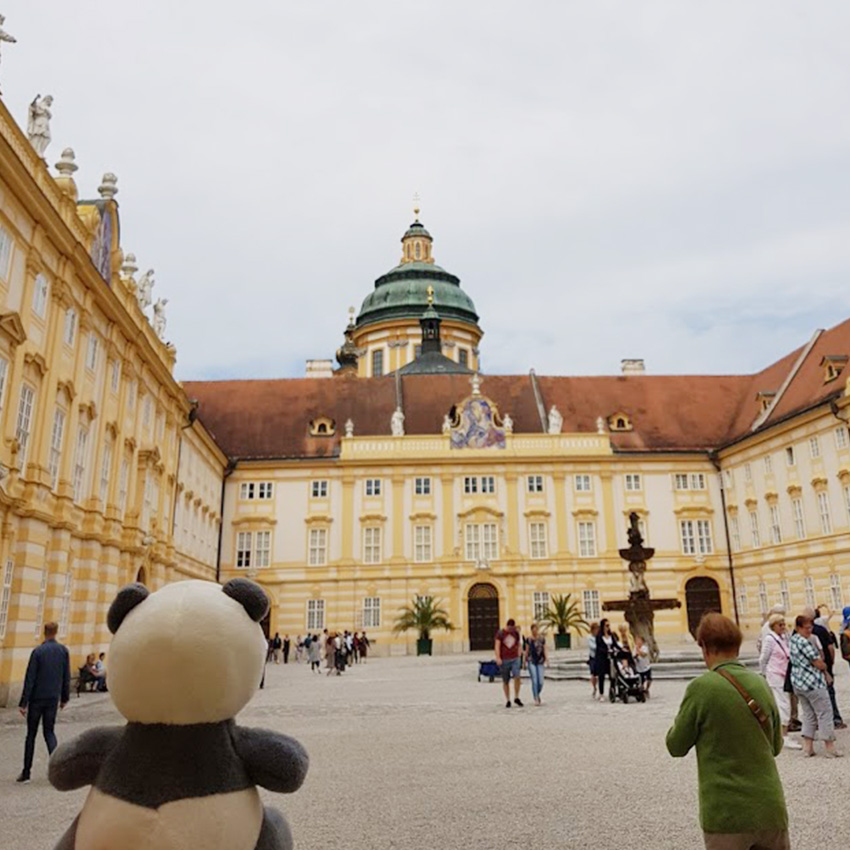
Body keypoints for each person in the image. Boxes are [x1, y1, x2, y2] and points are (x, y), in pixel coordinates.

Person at [666, 613, 789, 849]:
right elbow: (775, 747)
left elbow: (676, 746)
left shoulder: (701, 688)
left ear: (705, 647)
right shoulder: (760, 683)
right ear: (737, 645)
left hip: (726, 813)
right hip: (770, 808)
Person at [17, 622, 71, 783]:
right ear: (56, 632)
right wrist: (64, 698)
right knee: (49, 732)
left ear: (44, 632)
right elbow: (66, 677)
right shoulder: (63, 651)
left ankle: (26, 772)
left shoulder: (38, 652)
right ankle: (58, 771)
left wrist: (23, 702)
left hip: (37, 699)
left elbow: (30, 678)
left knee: (31, 735)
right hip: (53, 698)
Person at [789, 614, 841, 757]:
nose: (810, 630)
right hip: (813, 683)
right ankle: (829, 747)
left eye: (811, 627)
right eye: (807, 628)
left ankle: (808, 747)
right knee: (825, 713)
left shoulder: (792, 640)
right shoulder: (804, 642)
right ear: (799, 627)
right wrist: (824, 666)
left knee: (808, 714)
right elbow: (817, 662)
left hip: (799, 682)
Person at [758, 614, 801, 750]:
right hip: (775, 675)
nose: (783, 627)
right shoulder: (770, 640)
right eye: (780, 625)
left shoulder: (782, 638)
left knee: (783, 704)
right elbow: (763, 658)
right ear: (773, 626)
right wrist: (764, 674)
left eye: (784, 624)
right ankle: (784, 735)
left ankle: (782, 733)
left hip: (783, 674)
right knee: (784, 705)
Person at [813, 609, 845, 729]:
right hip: (824, 666)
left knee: (815, 696)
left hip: (813, 670)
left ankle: (818, 722)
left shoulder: (800, 633)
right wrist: (831, 663)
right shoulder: (822, 629)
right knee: (829, 693)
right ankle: (835, 719)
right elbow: (830, 648)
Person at [495, 618, 523, 708]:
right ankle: (508, 699)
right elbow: (497, 646)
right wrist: (498, 657)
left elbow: (519, 643)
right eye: (510, 628)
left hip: (515, 658)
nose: (512, 630)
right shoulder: (501, 633)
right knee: (505, 680)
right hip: (504, 659)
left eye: (513, 628)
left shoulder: (516, 633)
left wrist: (519, 653)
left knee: (517, 676)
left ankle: (516, 696)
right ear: (507, 626)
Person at [594, 619, 620, 701]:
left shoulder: (611, 635)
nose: (608, 627)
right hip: (602, 659)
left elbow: (615, 644)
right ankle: (601, 694)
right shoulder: (599, 636)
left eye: (609, 625)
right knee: (601, 676)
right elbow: (599, 648)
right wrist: (606, 651)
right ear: (603, 626)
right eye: (606, 625)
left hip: (611, 659)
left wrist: (621, 649)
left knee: (612, 676)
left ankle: (612, 691)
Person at [524, 623, 547, 706]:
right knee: (534, 679)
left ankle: (537, 693)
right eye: (533, 630)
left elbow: (544, 649)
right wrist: (524, 661)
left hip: (540, 660)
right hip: (531, 660)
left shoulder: (542, 639)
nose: (535, 631)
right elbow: (526, 650)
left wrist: (547, 659)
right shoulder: (528, 639)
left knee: (540, 681)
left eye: (536, 629)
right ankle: (536, 697)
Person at [634, 634, 652, 699]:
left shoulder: (645, 648)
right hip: (639, 668)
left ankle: (647, 689)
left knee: (649, 679)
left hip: (646, 666)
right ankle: (641, 692)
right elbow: (634, 656)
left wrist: (639, 651)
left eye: (639, 640)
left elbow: (644, 654)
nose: (638, 642)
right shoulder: (634, 648)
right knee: (641, 681)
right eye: (636, 640)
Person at [587, 622, 599, 699]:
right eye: (595, 629)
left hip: (600, 657)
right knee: (593, 674)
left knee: (599, 674)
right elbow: (593, 647)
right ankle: (594, 687)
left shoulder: (600, 637)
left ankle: (599, 688)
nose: (596, 631)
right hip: (593, 657)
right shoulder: (589, 638)